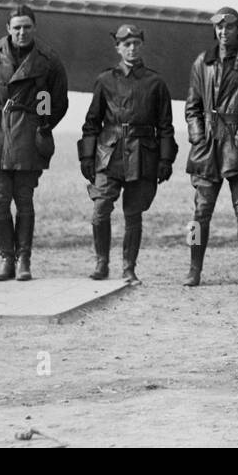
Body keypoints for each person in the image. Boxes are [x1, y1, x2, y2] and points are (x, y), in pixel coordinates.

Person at [0, 4, 69, 281]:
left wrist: (41, 124)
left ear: (34, 28)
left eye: (27, 27)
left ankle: (24, 259)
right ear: (8, 30)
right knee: (0, 201)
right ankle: (6, 259)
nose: (22, 32)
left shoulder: (48, 60)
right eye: (17, 28)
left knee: (24, 200)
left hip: (28, 137)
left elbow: (55, 100)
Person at [78, 24, 177, 284]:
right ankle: (101, 263)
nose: (131, 49)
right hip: (109, 153)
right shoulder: (105, 80)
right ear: (118, 48)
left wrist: (166, 160)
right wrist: (87, 157)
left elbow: (166, 126)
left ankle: (128, 268)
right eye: (126, 44)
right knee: (100, 208)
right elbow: (91, 123)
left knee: (133, 213)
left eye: (135, 43)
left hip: (143, 154)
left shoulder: (155, 83)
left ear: (141, 46)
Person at [183, 7, 238, 288]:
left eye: (228, 28)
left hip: (237, 145)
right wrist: (197, 136)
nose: (223, 32)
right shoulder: (201, 63)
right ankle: (194, 268)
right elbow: (193, 106)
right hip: (207, 146)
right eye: (219, 28)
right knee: (199, 214)